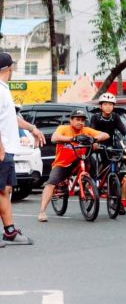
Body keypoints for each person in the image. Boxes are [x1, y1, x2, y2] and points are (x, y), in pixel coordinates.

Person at [1, 52, 44, 245]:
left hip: (7, 149)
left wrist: (33, 128)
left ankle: (9, 231)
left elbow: (12, 119)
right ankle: (9, 230)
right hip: (2, 149)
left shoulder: (4, 90)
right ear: (9, 68)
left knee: (6, 189)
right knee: (2, 190)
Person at [37, 109, 109, 222]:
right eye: (77, 119)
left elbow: (105, 135)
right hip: (63, 163)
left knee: (91, 161)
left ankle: (87, 185)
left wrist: (94, 139)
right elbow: (54, 138)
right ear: (71, 120)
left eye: (82, 120)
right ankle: (42, 212)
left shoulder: (86, 130)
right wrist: (73, 139)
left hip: (80, 161)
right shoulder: (63, 128)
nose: (80, 122)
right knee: (51, 183)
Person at [89, 92, 126, 184]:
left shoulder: (115, 117)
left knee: (123, 158)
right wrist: (94, 142)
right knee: (93, 161)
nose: (108, 107)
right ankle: (94, 181)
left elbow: (124, 131)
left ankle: (120, 180)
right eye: (105, 104)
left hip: (110, 145)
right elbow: (91, 131)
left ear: (113, 106)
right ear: (100, 106)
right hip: (97, 144)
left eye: (110, 104)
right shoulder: (95, 117)